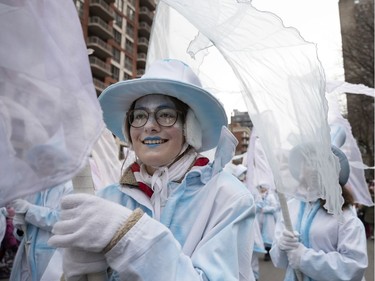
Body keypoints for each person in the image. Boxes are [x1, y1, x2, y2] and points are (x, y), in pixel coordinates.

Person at [49, 59, 257, 280]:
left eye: (166, 114)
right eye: (139, 116)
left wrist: (129, 236)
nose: (149, 126)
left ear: (190, 127)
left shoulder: (228, 197)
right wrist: (74, 274)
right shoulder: (107, 199)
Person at [270, 146, 368, 281]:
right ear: (301, 168)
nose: (315, 169)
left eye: (321, 163)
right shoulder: (291, 207)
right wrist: (281, 246)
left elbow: (354, 267)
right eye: (309, 163)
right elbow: (279, 262)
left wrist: (304, 258)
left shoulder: (344, 214)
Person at [9, 181, 73, 281]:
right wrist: (20, 228)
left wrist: (29, 210)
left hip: (53, 259)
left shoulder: (69, 186)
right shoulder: (36, 189)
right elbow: (25, 234)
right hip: (27, 260)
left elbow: (64, 220)